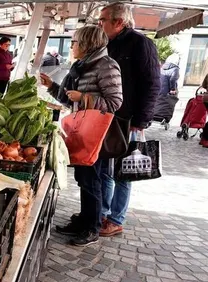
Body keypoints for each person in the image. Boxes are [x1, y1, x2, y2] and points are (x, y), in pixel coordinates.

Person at [40, 25, 123, 246]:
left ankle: (92, 228)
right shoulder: (81, 66)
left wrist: (84, 96)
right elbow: (69, 99)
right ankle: (83, 221)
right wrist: (51, 86)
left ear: (87, 44)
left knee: (92, 180)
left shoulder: (107, 65)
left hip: (95, 134)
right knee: (83, 179)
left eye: (74, 42)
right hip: (80, 130)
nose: (71, 46)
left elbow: (115, 103)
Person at [97, 3, 160, 237]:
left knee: (124, 171)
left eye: (103, 20)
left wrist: (142, 120)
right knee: (105, 167)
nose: (100, 24)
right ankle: (102, 213)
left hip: (129, 119)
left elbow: (152, 84)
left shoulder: (141, 43)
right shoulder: (109, 43)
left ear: (119, 22)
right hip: (110, 117)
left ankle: (116, 219)